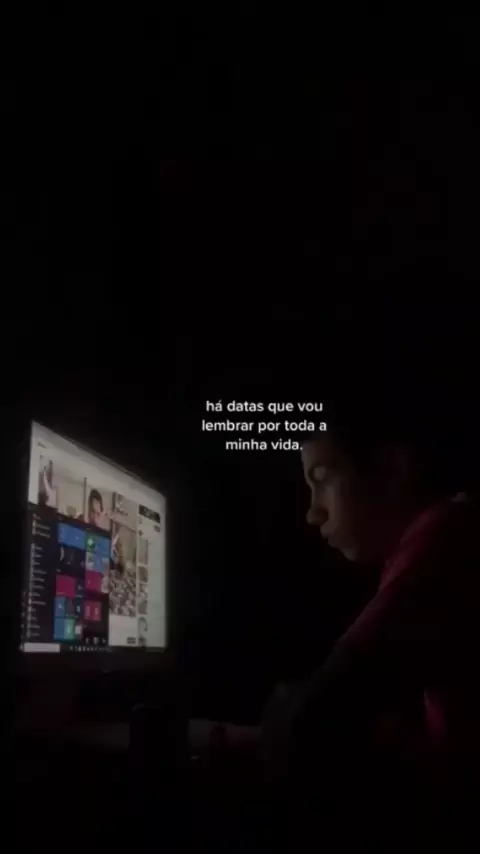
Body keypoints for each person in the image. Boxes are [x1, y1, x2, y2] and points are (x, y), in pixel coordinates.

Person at [191, 394, 480, 846]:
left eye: (323, 479)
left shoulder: (447, 537)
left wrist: (219, 737)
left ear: (393, 469)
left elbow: (311, 717)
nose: (313, 512)